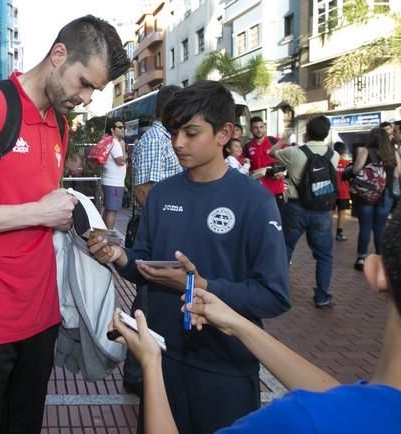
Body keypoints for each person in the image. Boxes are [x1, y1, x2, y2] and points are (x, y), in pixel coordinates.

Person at [0, 15, 130, 434]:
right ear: (59, 54)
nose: (86, 98)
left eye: (95, 90)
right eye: (84, 83)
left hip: (39, 318)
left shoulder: (59, 125)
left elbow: (43, 204)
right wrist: (37, 212)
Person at [110, 174, 401, 434]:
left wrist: (151, 364)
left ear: (376, 272)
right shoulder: (376, 413)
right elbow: (344, 399)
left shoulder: (299, 421)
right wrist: (237, 323)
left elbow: (340, 407)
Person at [88, 80, 290, 433]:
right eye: (173, 132)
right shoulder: (163, 194)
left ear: (224, 133)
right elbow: (144, 266)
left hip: (225, 366)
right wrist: (118, 256)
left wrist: (202, 286)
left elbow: (273, 296)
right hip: (163, 359)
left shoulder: (255, 201)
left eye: (191, 132)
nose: (178, 143)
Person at [125, 84, 181, 395]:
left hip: (165, 231)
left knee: (148, 300)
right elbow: (144, 191)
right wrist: (175, 219)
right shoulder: (153, 141)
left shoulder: (168, 140)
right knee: (146, 304)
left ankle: (139, 371)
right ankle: (136, 374)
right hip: (155, 233)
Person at [269, 115, 339, 308]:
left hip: (295, 207)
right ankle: (322, 296)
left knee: (286, 248)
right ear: (326, 133)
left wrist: (282, 140)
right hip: (321, 211)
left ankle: (277, 290)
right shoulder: (334, 155)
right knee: (324, 255)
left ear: (307, 132)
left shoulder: (294, 152)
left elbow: (271, 152)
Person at [351, 128, 398, 272]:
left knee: (365, 227)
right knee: (380, 227)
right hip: (386, 196)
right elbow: (397, 174)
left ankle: (362, 258)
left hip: (366, 195)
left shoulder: (366, 152)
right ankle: (380, 258)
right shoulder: (393, 153)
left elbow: (355, 171)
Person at [245, 117, 285, 210]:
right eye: (255, 128)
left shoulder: (275, 141)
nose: (259, 130)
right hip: (257, 191)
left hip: (276, 190)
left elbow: (290, 160)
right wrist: (252, 173)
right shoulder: (247, 147)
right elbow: (245, 170)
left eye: (261, 127)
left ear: (265, 127)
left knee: (278, 220)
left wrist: (284, 173)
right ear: (251, 130)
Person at [101, 118, 126, 229]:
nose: (123, 129)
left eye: (123, 127)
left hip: (110, 181)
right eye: (120, 127)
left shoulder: (109, 141)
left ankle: (102, 232)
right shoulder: (115, 143)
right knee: (112, 211)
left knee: (108, 209)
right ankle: (108, 235)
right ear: (112, 129)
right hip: (114, 183)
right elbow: (120, 161)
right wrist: (124, 151)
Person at [333, 141, 351, 241]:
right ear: (344, 151)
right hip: (344, 192)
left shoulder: (331, 162)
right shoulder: (348, 164)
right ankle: (339, 233)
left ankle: (325, 232)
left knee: (329, 212)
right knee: (342, 213)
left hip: (331, 191)